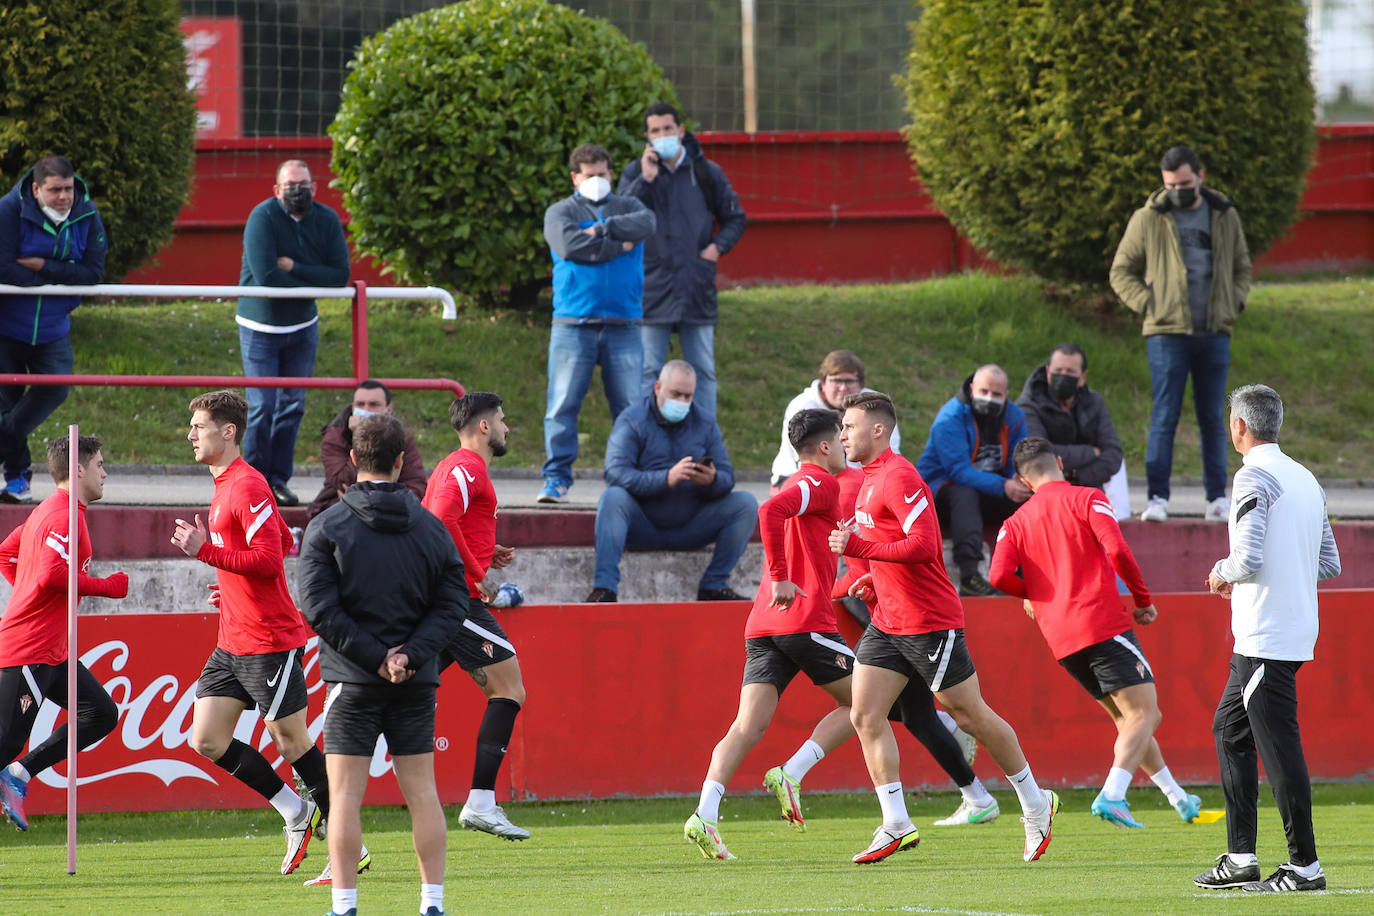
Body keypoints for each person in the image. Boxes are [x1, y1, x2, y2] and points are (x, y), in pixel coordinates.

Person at [684, 410, 994, 861]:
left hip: (763, 623)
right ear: (825, 447)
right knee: (870, 705)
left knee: (747, 725)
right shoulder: (821, 482)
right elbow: (769, 510)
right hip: (804, 620)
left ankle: (704, 814)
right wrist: (783, 576)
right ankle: (796, 774)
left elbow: (785, 514)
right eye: (840, 436)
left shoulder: (805, 484)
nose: (846, 445)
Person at [830, 391, 1059, 865]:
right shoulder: (869, 478)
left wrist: (861, 548)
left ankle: (1036, 804)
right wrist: (872, 578)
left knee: (970, 714)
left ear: (878, 430)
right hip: (889, 620)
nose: (842, 435)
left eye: (848, 426)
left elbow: (924, 545)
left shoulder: (899, 475)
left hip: (927, 621)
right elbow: (892, 548)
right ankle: (895, 822)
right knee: (865, 714)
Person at [298, 414, 467, 916]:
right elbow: (453, 603)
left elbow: (319, 609)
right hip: (415, 679)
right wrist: (409, 656)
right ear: (401, 461)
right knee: (423, 794)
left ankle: (345, 905)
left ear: (352, 460)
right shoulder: (432, 530)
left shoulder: (327, 525)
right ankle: (432, 903)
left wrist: (376, 657)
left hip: (352, 678)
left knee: (345, 797)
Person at [989, 437, 1201, 829]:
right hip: (1100, 621)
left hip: (1061, 638)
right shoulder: (1086, 498)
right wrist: (1142, 599)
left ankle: (1178, 797)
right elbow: (1117, 549)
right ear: (1059, 461)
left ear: (1022, 478)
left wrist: (1036, 594)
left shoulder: (1015, 522)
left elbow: (998, 575)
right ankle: (1113, 796)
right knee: (1146, 713)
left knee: (1129, 721)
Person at [170, 389, 338, 877]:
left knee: (291, 740)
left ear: (228, 432)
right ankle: (296, 812)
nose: (190, 435)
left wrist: (208, 553)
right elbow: (282, 539)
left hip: (269, 640)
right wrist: (230, 587)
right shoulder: (226, 484)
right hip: (232, 640)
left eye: (198, 426)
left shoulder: (245, 485)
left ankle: (349, 846)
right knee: (206, 739)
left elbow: (269, 559)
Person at [1195, 385, 1340, 893]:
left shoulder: (1253, 475)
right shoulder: (1306, 479)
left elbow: (1247, 558)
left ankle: (1305, 866)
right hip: (1292, 628)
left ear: (1239, 426)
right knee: (1229, 730)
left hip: (1264, 634)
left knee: (1278, 748)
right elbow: (1329, 562)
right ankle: (1240, 858)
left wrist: (1219, 572)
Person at [1110, 144, 1252, 524]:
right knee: (1164, 416)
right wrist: (1149, 305)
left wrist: (1232, 304)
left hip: (1214, 332)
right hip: (1166, 333)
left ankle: (1216, 499)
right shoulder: (1149, 218)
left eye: (1185, 183)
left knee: (1212, 416)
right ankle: (1157, 498)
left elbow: (1242, 267)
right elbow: (1121, 270)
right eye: (1170, 184)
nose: (1178, 190)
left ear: (1200, 177)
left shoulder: (1223, 215)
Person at [0, 435, 126, 830]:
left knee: (101, 713)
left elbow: (7, 554)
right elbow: (52, 575)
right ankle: (13, 771)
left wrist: (26, 592)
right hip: (29, 649)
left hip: (53, 650)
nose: (105, 473)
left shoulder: (49, 512)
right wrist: (108, 587)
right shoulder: (64, 515)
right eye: (100, 465)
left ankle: (19, 775)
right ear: (78, 469)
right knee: (4, 744)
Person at [422, 392, 530, 841]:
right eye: (502, 421)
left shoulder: (454, 466)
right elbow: (442, 517)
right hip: (457, 600)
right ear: (484, 427)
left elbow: (449, 521)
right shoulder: (469, 467)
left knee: (399, 690)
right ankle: (481, 801)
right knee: (510, 688)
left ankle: (324, 791)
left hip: (443, 596)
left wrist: (487, 551)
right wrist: (477, 569)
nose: (506, 429)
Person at [538, 143, 656, 504]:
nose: (598, 181)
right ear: (575, 177)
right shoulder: (560, 211)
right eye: (590, 175)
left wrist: (601, 228)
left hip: (624, 325)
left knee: (630, 408)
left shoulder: (629, 207)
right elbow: (572, 248)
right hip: (573, 324)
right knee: (561, 407)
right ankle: (556, 479)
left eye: (603, 173)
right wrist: (618, 243)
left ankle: (629, 479)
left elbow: (647, 224)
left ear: (611, 173)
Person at [617, 102, 748, 421]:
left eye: (667, 128)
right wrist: (644, 181)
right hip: (652, 287)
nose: (663, 135)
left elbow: (735, 218)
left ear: (680, 131)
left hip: (696, 285)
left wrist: (715, 250)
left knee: (703, 370)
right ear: (647, 137)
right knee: (648, 372)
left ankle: (706, 447)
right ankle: (647, 442)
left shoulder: (706, 171)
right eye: (655, 131)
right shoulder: (635, 173)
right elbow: (621, 221)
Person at [587, 360, 757, 603]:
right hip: (642, 525)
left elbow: (728, 476)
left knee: (745, 503)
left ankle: (714, 585)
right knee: (612, 498)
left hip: (692, 525)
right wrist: (666, 478)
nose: (682, 402)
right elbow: (615, 473)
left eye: (688, 396)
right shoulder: (632, 419)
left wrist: (712, 479)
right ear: (657, 387)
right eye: (675, 394)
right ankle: (605, 588)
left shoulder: (705, 422)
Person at [237, 159, 350, 507]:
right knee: (262, 406)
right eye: (290, 185)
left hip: (302, 328)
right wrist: (312, 278)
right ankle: (253, 486)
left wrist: (296, 267)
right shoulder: (262, 218)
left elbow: (340, 275)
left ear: (314, 188)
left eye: (303, 184)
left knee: (292, 406)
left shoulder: (327, 220)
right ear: (277, 190)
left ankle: (278, 481)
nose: (297, 190)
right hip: (261, 328)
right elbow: (267, 276)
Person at [0, 156, 106, 503]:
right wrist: (57, 276)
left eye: (69, 189)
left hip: (54, 328)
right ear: (36, 189)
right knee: (4, 401)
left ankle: (10, 444)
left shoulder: (87, 214)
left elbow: (93, 273)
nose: (64, 197)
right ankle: (17, 479)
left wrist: (44, 266)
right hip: (7, 327)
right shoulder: (8, 211)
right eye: (55, 190)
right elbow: (4, 268)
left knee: (55, 389)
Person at [916, 364, 1030, 596]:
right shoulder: (950, 418)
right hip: (940, 492)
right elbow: (958, 471)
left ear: (1006, 394)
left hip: (987, 490)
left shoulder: (1015, 417)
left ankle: (1024, 569)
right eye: (984, 391)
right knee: (964, 492)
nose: (990, 398)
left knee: (1028, 496)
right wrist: (1004, 485)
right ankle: (969, 574)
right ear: (971, 389)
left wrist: (1020, 482)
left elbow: (1018, 463)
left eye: (996, 394)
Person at [769, 350, 902, 489]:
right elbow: (804, 459)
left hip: (861, 479)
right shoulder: (803, 407)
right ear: (823, 382)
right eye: (836, 381)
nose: (843, 387)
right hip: (797, 476)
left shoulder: (877, 407)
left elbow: (889, 453)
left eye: (850, 381)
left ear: (861, 384)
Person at [307, 380, 427, 519]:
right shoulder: (335, 436)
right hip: (343, 508)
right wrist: (361, 437)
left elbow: (416, 484)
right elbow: (342, 482)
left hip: (393, 508)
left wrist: (387, 502)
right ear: (353, 407)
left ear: (388, 410)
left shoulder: (402, 435)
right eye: (360, 404)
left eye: (373, 405)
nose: (366, 410)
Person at [1015, 343, 1124, 493]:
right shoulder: (1028, 405)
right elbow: (1039, 455)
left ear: (1082, 377)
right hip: (1045, 493)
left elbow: (1113, 454)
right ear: (1048, 372)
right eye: (1058, 370)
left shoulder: (1094, 402)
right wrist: (1091, 452)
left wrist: (1076, 476)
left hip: (1088, 490)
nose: (1063, 375)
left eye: (1070, 371)